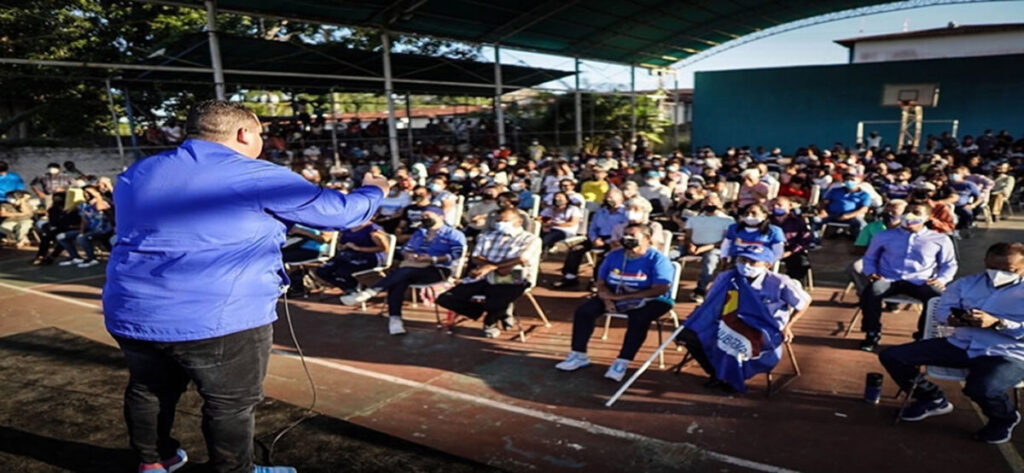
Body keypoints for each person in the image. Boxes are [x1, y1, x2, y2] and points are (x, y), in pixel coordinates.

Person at [103, 100, 387, 473]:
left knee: (149, 390)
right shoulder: (256, 174)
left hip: (132, 309)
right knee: (230, 403)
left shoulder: (139, 172)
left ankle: (154, 462)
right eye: (260, 134)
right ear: (243, 133)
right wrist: (375, 190)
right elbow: (342, 214)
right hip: (218, 317)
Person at [879, 243, 1024, 444]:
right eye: (992, 268)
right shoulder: (966, 284)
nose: (998, 274)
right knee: (893, 356)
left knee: (982, 388)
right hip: (961, 344)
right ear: (985, 262)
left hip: (1007, 353)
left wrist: (998, 323)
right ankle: (931, 397)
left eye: (1008, 270)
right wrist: (951, 318)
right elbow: (942, 310)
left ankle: (1004, 418)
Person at [677, 245, 810, 393]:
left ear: (767, 265)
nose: (746, 265)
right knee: (688, 334)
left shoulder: (779, 282)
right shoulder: (727, 278)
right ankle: (716, 372)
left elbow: (804, 303)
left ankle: (732, 377)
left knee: (738, 343)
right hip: (729, 320)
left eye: (753, 262)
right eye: (743, 260)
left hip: (764, 328)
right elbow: (712, 301)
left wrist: (788, 326)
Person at [554, 223, 675, 382]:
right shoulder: (614, 256)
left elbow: (660, 288)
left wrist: (623, 298)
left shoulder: (658, 259)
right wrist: (607, 299)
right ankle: (579, 354)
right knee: (584, 311)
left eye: (632, 236)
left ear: (647, 239)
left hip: (651, 298)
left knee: (639, 318)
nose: (627, 238)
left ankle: (622, 361)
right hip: (614, 294)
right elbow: (601, 281)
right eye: (625, 234)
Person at [340, 206, 466, 335]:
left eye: (428, 216)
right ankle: (395, 320)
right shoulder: (420, 233)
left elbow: (457, 254)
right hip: (414, 266)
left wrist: (432, 259)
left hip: (438, 269)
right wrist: (409, 255)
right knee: (400, 280)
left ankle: (371, 293)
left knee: (404, 272)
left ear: (441, 217)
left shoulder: (453, 234)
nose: (424, 218)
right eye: (422, 216)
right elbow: (406, 249)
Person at [858, 203, 958, 351]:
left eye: (916, 212)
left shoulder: (940, 239)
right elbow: (870, 258)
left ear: (928, 217)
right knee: (871, 292)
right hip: (889, 278)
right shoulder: (884, 236)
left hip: (920, 280)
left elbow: (949, 264)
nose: (910, 216)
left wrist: (941, 279)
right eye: (907, 211)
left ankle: (922, 336)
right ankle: (872, 333)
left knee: (936, 297)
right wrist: (871, 272)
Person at [436, 209, 541, 337]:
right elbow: (476, 257)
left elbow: (521, 259)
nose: (501, 224)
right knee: (446, 299)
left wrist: (491, 267)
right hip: (483, 275)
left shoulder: (531, 239)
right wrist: (488, 267)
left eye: (505, 221)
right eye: (498, 221)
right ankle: (493, 312)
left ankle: (490, 321)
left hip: (513, 276)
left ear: (519, 222)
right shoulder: (486, 236)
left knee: (496, 300)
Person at [552, 189, 627, 289]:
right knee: (576, 249)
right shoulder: (600, 212)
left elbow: (625, 230)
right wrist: (594, 238)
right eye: (606, 197)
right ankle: (570, 277)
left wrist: (608, 241)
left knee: (604, 256)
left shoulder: (626, 213)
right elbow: (592, 228)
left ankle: (597, 281)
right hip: (598, 237)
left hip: (615, 240)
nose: (608, 200)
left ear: (620, 199)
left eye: (611, 197)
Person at [682, 196, 735, 304]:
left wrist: (706, 247)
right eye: (706, 202)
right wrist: (690, 245)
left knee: (710, 261)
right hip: (693, 245)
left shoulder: (728, 220)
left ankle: (700, 291)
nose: (709, 205)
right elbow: (687, 236)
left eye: (712, 202)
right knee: (669, 255)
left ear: (720, 204)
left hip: (714, 247)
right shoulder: (694, 219)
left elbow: (726, 240)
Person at [314, 221, 390, 294]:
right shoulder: (347, 228)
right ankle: (350, 287)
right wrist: (344, 246)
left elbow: (384, 248)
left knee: (342, 272)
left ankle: (354, 289)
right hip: (346, 256)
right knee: (322, 271)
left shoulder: (373, 229)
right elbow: (340, 246)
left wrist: (358, 248)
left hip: (368, 257)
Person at [55, 185, 113, 267]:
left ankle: (92, 259)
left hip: (102, 229)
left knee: (81, 238)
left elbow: (100, 208)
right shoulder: (83, 205)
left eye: (88, 192)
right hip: (90, 229)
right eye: (84, 192)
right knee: (61, 237)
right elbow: (84, 220)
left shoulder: (103, 201)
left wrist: (97, 196)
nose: (86, 194)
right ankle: (75, 257)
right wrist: (81, 232)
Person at [720, 203, 785, 262]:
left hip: (760, 263)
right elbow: (726, 245)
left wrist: (768, 263)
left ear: (764, 215)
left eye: (754, 213)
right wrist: (724, 258)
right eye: (747, 213)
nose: (749, 215)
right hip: (736, 261)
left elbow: (778, 253)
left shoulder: (774, 231)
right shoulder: (734, 228)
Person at [770, 196, 813, 282]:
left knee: (801, 264)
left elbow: (804, 240)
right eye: (773, 205)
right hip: (769, 249)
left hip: (790, 250)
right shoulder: (767, 220)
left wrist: (790, 252)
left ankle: (787, 283)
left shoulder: (798, 221)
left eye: (779, 205)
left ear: (789, 206)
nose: (775, 207)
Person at [819, 172, 872, 237]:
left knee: (861, 224)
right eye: (847, 179)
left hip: (851, 216)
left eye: (852, 179)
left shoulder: (864, 195)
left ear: (859, 181)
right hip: (831, 214)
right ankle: (814, 240)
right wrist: (823, 211)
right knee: (816, 220)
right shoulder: (835, 190)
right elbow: (824, 202)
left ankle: (859, 240)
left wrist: (848, 216)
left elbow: (864, 209)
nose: (849, 181)